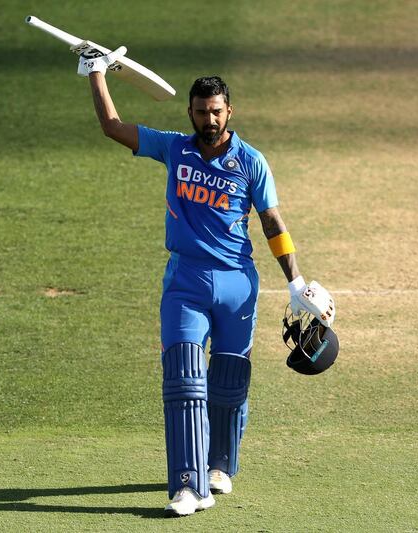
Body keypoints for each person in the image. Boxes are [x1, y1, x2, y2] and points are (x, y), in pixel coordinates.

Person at [77, 51, 333, 517]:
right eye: (201, 111)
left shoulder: (251, 162)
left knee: (229, 382)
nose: (209, 118)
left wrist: (296, 283)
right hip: (186, 282)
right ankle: (188, 486)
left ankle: (220, 466)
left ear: (229, 111)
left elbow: (272, 221)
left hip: (238, 284)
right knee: (183, 377)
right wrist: (96, 73)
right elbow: (113, 127)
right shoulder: (174, 148)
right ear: (190, 112)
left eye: (217, 111)